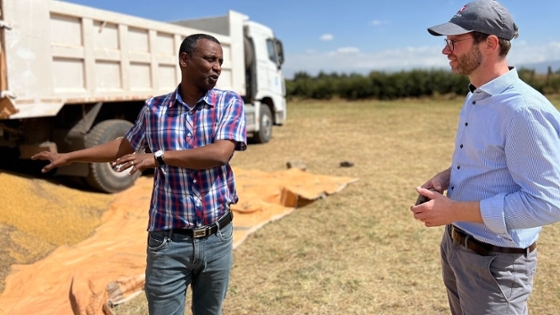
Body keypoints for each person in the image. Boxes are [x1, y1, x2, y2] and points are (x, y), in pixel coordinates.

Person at [32, 33, 247, 315]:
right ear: (185, 60)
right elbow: (124, 145)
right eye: (209, 59)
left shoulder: (229, 103)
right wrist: (68, 156)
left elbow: (219, 153)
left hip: (217, 236)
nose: (217, 66)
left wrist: (158, 157)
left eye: (220, 61)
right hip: (168, 241)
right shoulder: (154, 109)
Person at [410, 1, 560, 314]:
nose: (445, 50)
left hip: (495, 263)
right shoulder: (477, 95)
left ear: (490, 43)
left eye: (455, 42)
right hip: (457, 248)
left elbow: (549, 203)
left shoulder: (524, 110)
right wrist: (445, 178)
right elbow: (486, 158)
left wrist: (453, 210)